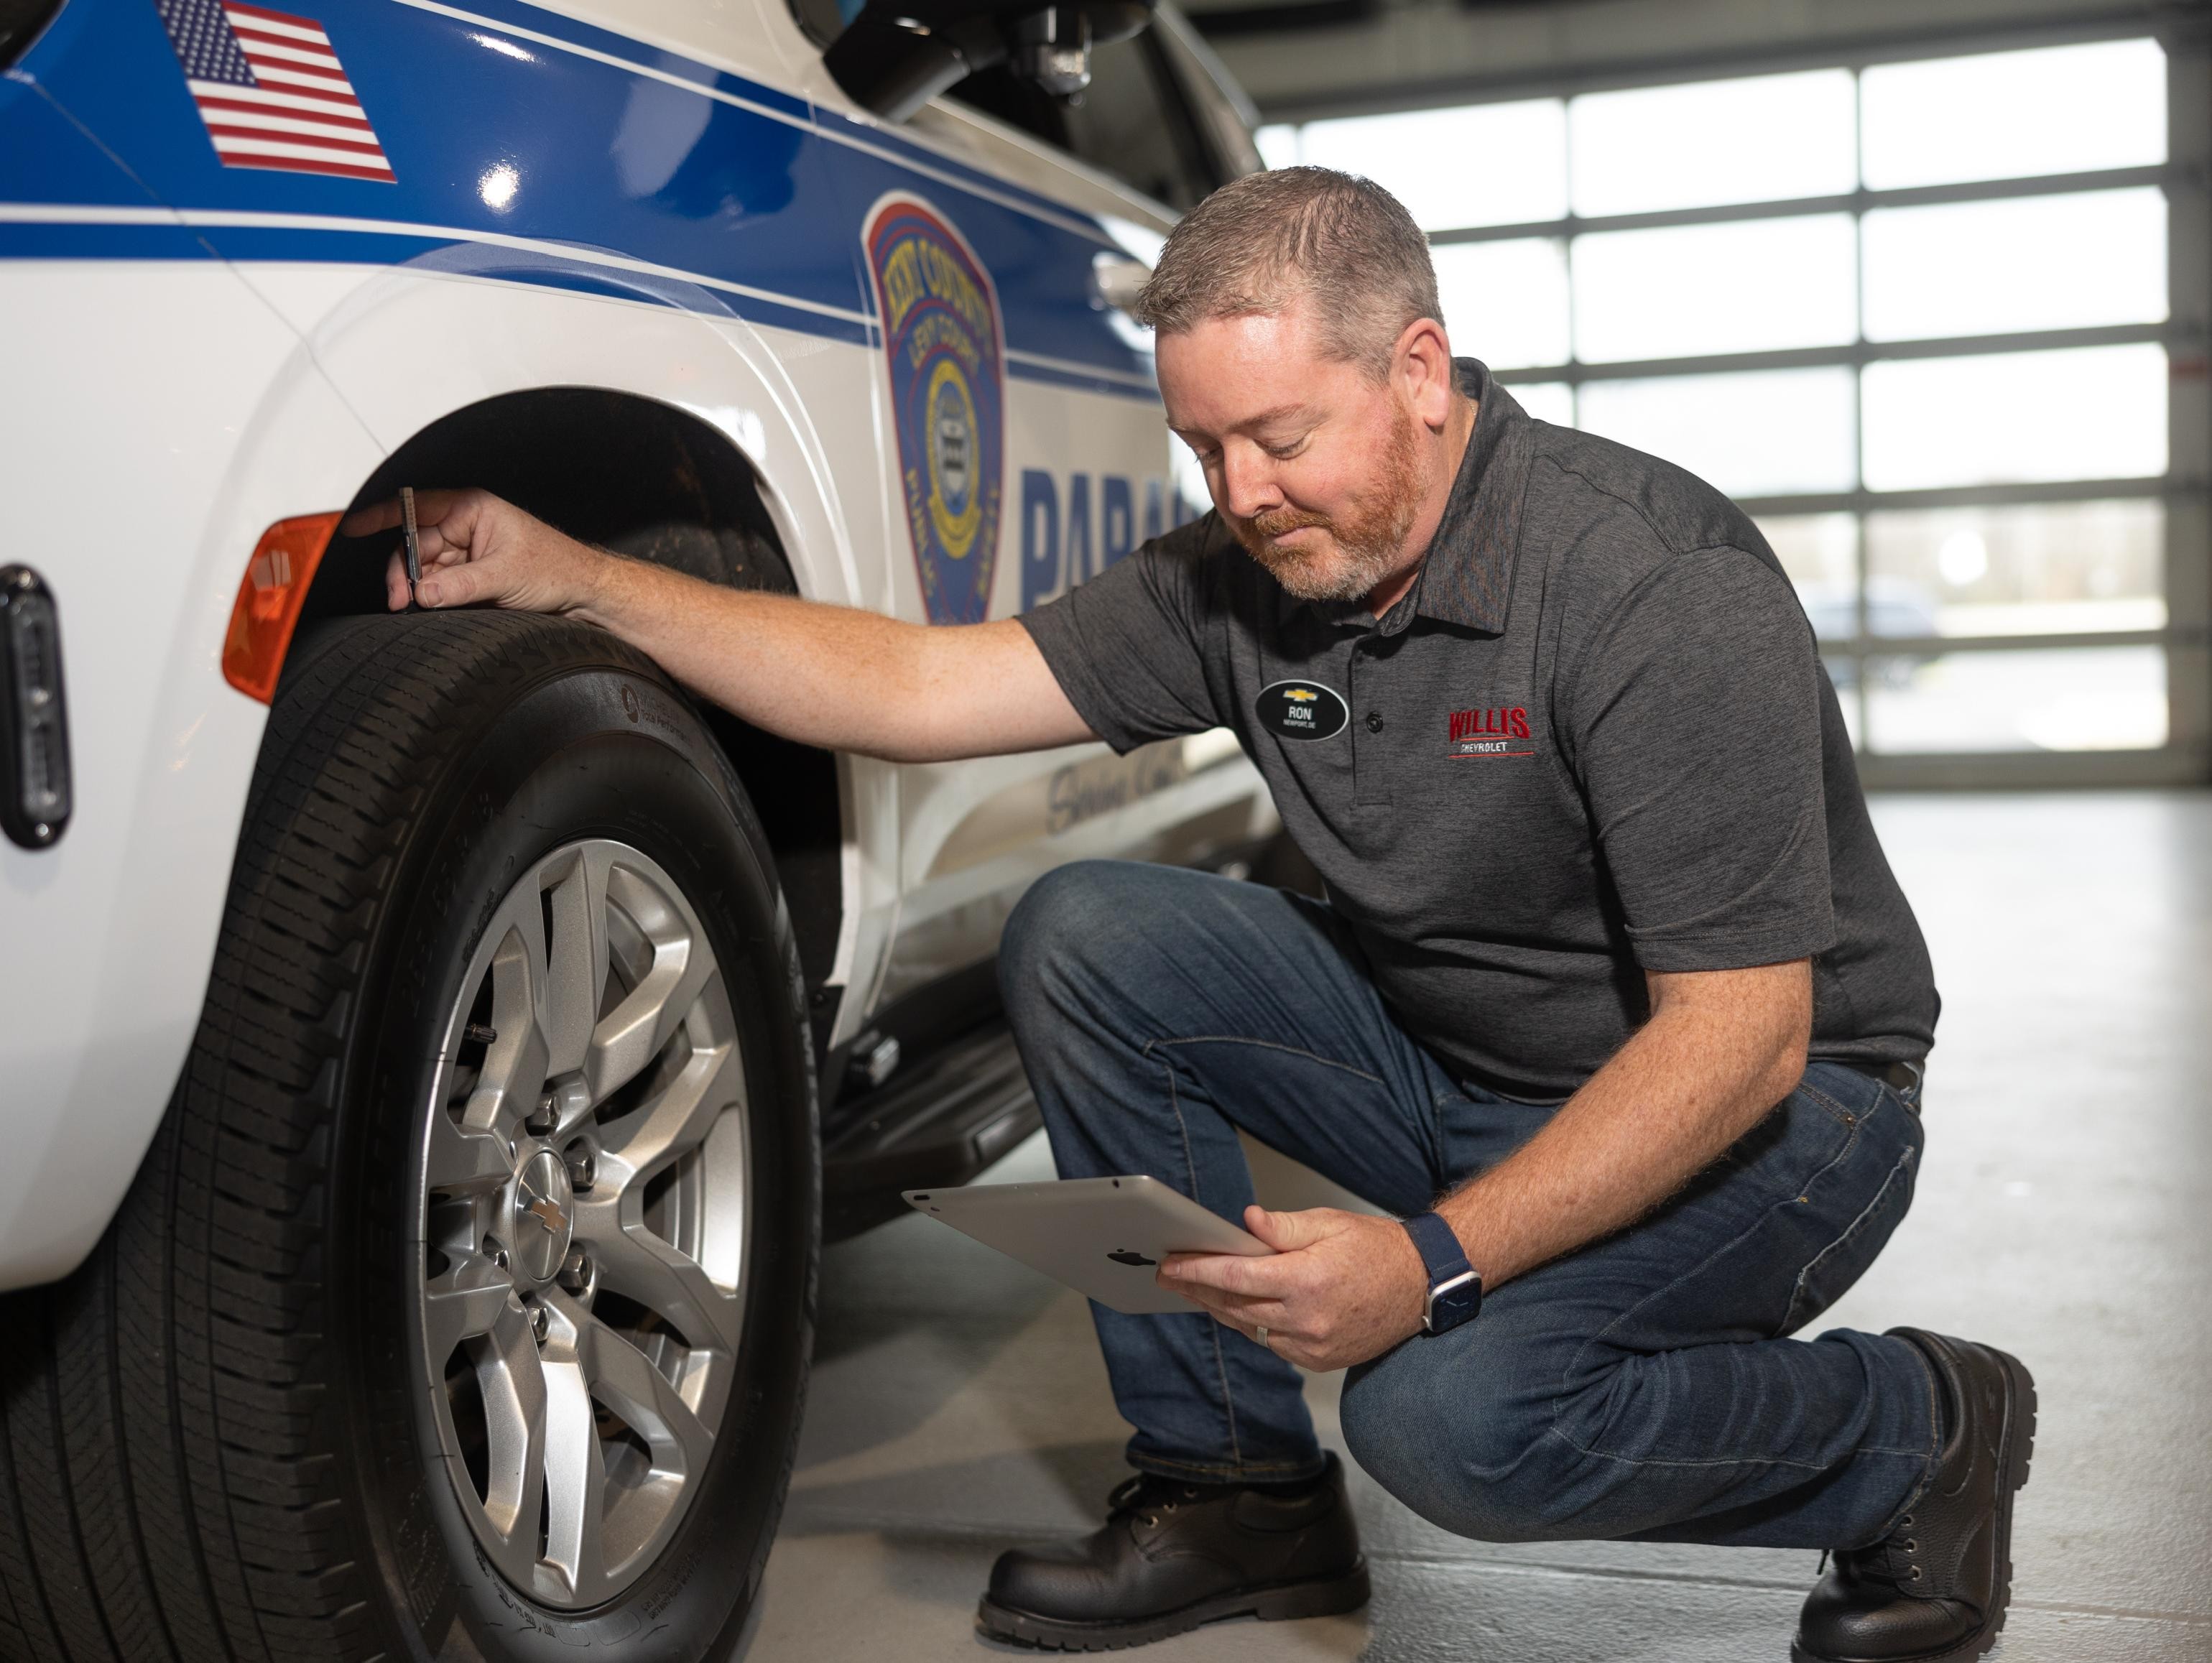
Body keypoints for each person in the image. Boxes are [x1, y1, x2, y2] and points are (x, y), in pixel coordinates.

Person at [346, 167, 2034, 1663]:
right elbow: (921, 686)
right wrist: (574, 570)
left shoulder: (1646, 587)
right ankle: (1236, 1493)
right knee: (1092, 930)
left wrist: (1430, 1263)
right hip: (1460, 1061)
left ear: (1421, 377)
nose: (1235, 490)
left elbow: (1742, 1038)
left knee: (1454, 1422)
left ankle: (1915, 1428)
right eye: (1203, 446)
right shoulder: (1248, 576)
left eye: (1278, 437)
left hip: (1781, 1109)